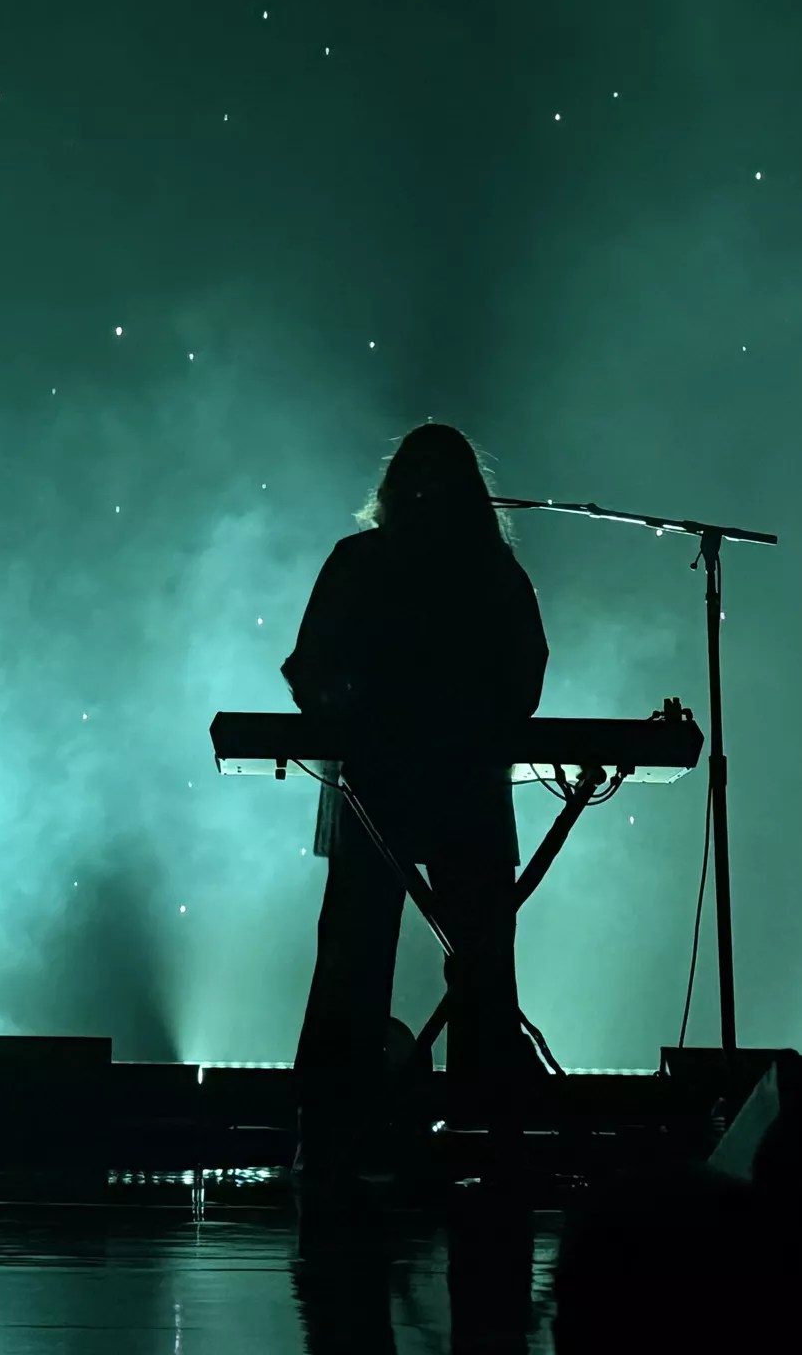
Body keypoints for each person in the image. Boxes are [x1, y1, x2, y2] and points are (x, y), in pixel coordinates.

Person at [282, 422, 547, 1175]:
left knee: (358, 954)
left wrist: (351, 711)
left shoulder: (363, 561)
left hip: (385, 783)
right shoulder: (493, 572)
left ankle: (334, 1128)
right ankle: (485, 1132)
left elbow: (307, 669)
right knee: (476, 958)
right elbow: (527, 676)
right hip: (460, 787)